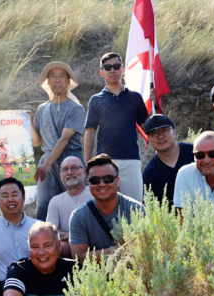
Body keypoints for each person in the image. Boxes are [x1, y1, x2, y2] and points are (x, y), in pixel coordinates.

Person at [84, 52, 151, 202]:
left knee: (136, 208)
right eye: (108, 67)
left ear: (123, 69)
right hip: (104, 161)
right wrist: (88, 164)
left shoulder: (135, 97)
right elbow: (90, 132)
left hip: (131, 160)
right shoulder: (95, 100)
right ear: (102, 72)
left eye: (116, 66)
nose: (112, 70)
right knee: (104, 206)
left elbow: (148, 128)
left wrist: (156, 105)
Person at [30, 62, 85, 221]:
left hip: (70, 159)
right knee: (43, 206)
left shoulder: (76, 108)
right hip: (47, 160)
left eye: (62, 76)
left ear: (68, 82)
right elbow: (36, 142)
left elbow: (65, 138)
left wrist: (46, 164)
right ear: (48, 82)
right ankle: (42, 243)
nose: (57, 80)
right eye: (53, 76)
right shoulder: (42, 108)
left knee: (75, 204)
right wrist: (30, 122)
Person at [69, 154, 144, 263]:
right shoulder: (79, 216)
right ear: (88, 182)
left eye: (108, 179)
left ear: (118, 181)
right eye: (95, 180)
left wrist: (98, 255)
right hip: (97, 278)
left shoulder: (136, 210)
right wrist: (122, 249)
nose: (102, 184)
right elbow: (79, 257)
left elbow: (144, 250)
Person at [141, 115, 194, 207]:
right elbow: (154, 208)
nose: (160, 136)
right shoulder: (150, 172)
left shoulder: (195, 153)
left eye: (165, 131)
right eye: (154, 134)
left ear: (174, 132)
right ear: (148, 139)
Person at [46, 156, 93, 257]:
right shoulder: (55, 201)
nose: (70, 172)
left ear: (84, 173)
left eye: (75, 168)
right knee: (63, 246)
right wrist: (74, 236)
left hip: (95, 246)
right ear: (61, 176)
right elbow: (50, 231)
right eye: (65, 169)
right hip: (69, 249)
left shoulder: (95, 195)